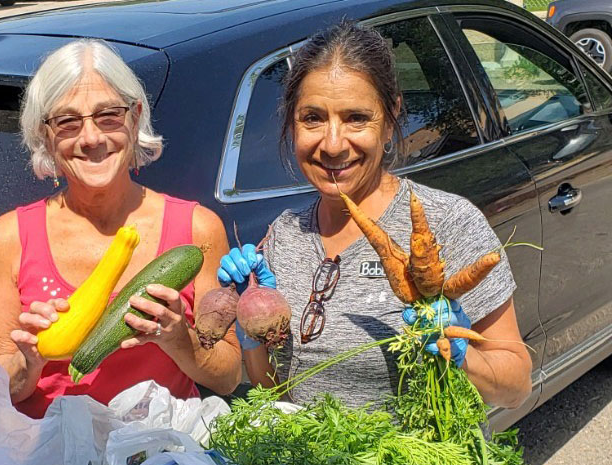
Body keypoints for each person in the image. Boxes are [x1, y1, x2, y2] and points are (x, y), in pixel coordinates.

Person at [218, 20, 532, 410]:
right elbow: (273, 392)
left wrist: (461, 355)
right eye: (313, 118)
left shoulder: (449, 223)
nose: (333, 145)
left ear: (390, 117)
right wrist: (252, 323)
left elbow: (516, 387)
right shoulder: (284, 235)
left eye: (356, 118)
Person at [0, 39, 241, 418]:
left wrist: (179, 341)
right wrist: (29, 363)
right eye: (67, 121)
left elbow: (228, 376)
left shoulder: (197, 229)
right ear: (45, 136)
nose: (91, 138)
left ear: (135, 119)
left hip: (160, 460)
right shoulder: (8, 238)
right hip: (49, 461)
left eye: (108, 116)